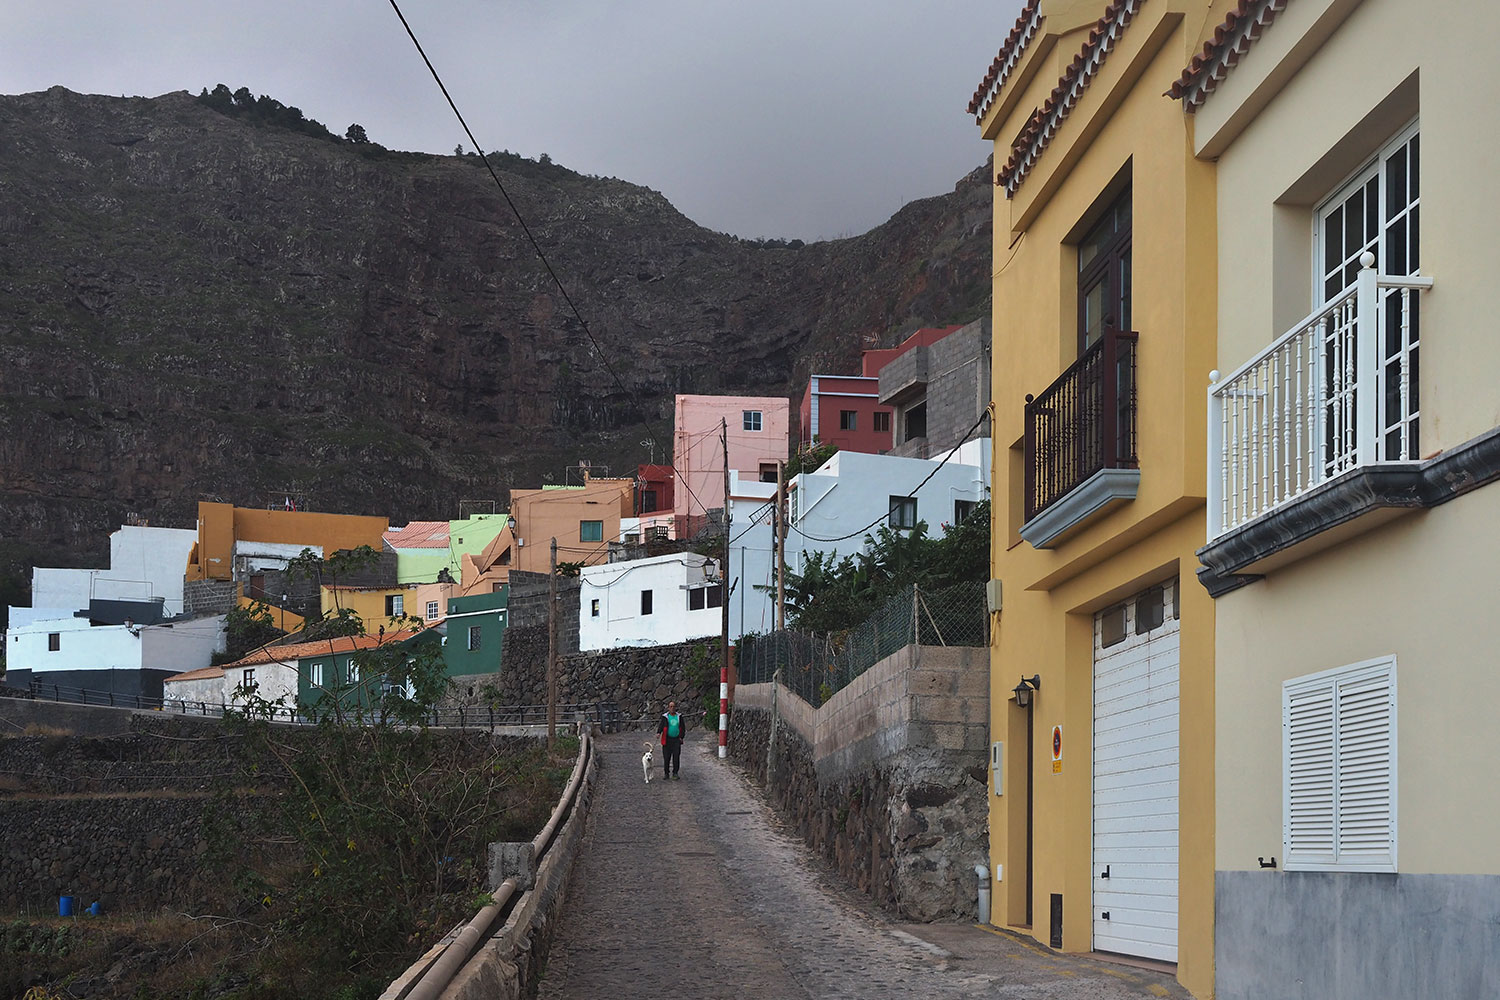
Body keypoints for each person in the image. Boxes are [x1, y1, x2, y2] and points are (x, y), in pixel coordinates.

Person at [658, 700, 684, 780]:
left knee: (676, 757)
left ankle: (675, 773)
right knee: (666, 758)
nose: (672, 708)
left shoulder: (679, 717)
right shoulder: (665, 717)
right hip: (667, 740)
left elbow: (683, 727)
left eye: (673, 706)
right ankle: (666, 773)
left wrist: (681, 737)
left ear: (675, 708)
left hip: (676, 740)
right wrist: (658, 733)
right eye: (671, 706)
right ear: (668, 708)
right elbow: (661, 725)